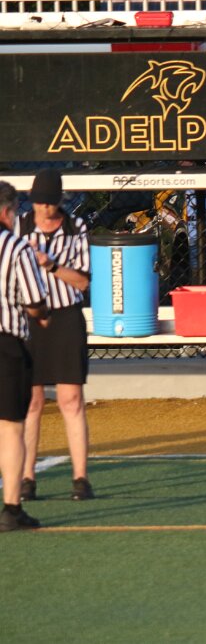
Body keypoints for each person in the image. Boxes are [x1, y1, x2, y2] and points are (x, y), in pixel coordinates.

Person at [15, 169, 95, 503]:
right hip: (28, 318)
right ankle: (27, 477)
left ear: (59, 201)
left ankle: (80, 478)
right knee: (31, 401)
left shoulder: (76, 228)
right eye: (39, 202)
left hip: (64, 317)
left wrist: (49, 265)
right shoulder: (18, 227)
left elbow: (83, 282)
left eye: (49, 203)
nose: (44, 209)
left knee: (70, 399)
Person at [0, 182, 48, 532]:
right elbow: (34, 302)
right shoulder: (17, 248)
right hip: (7, 344)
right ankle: (12, 508)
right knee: (11, 426)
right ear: (7, 211)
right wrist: (42, 316)